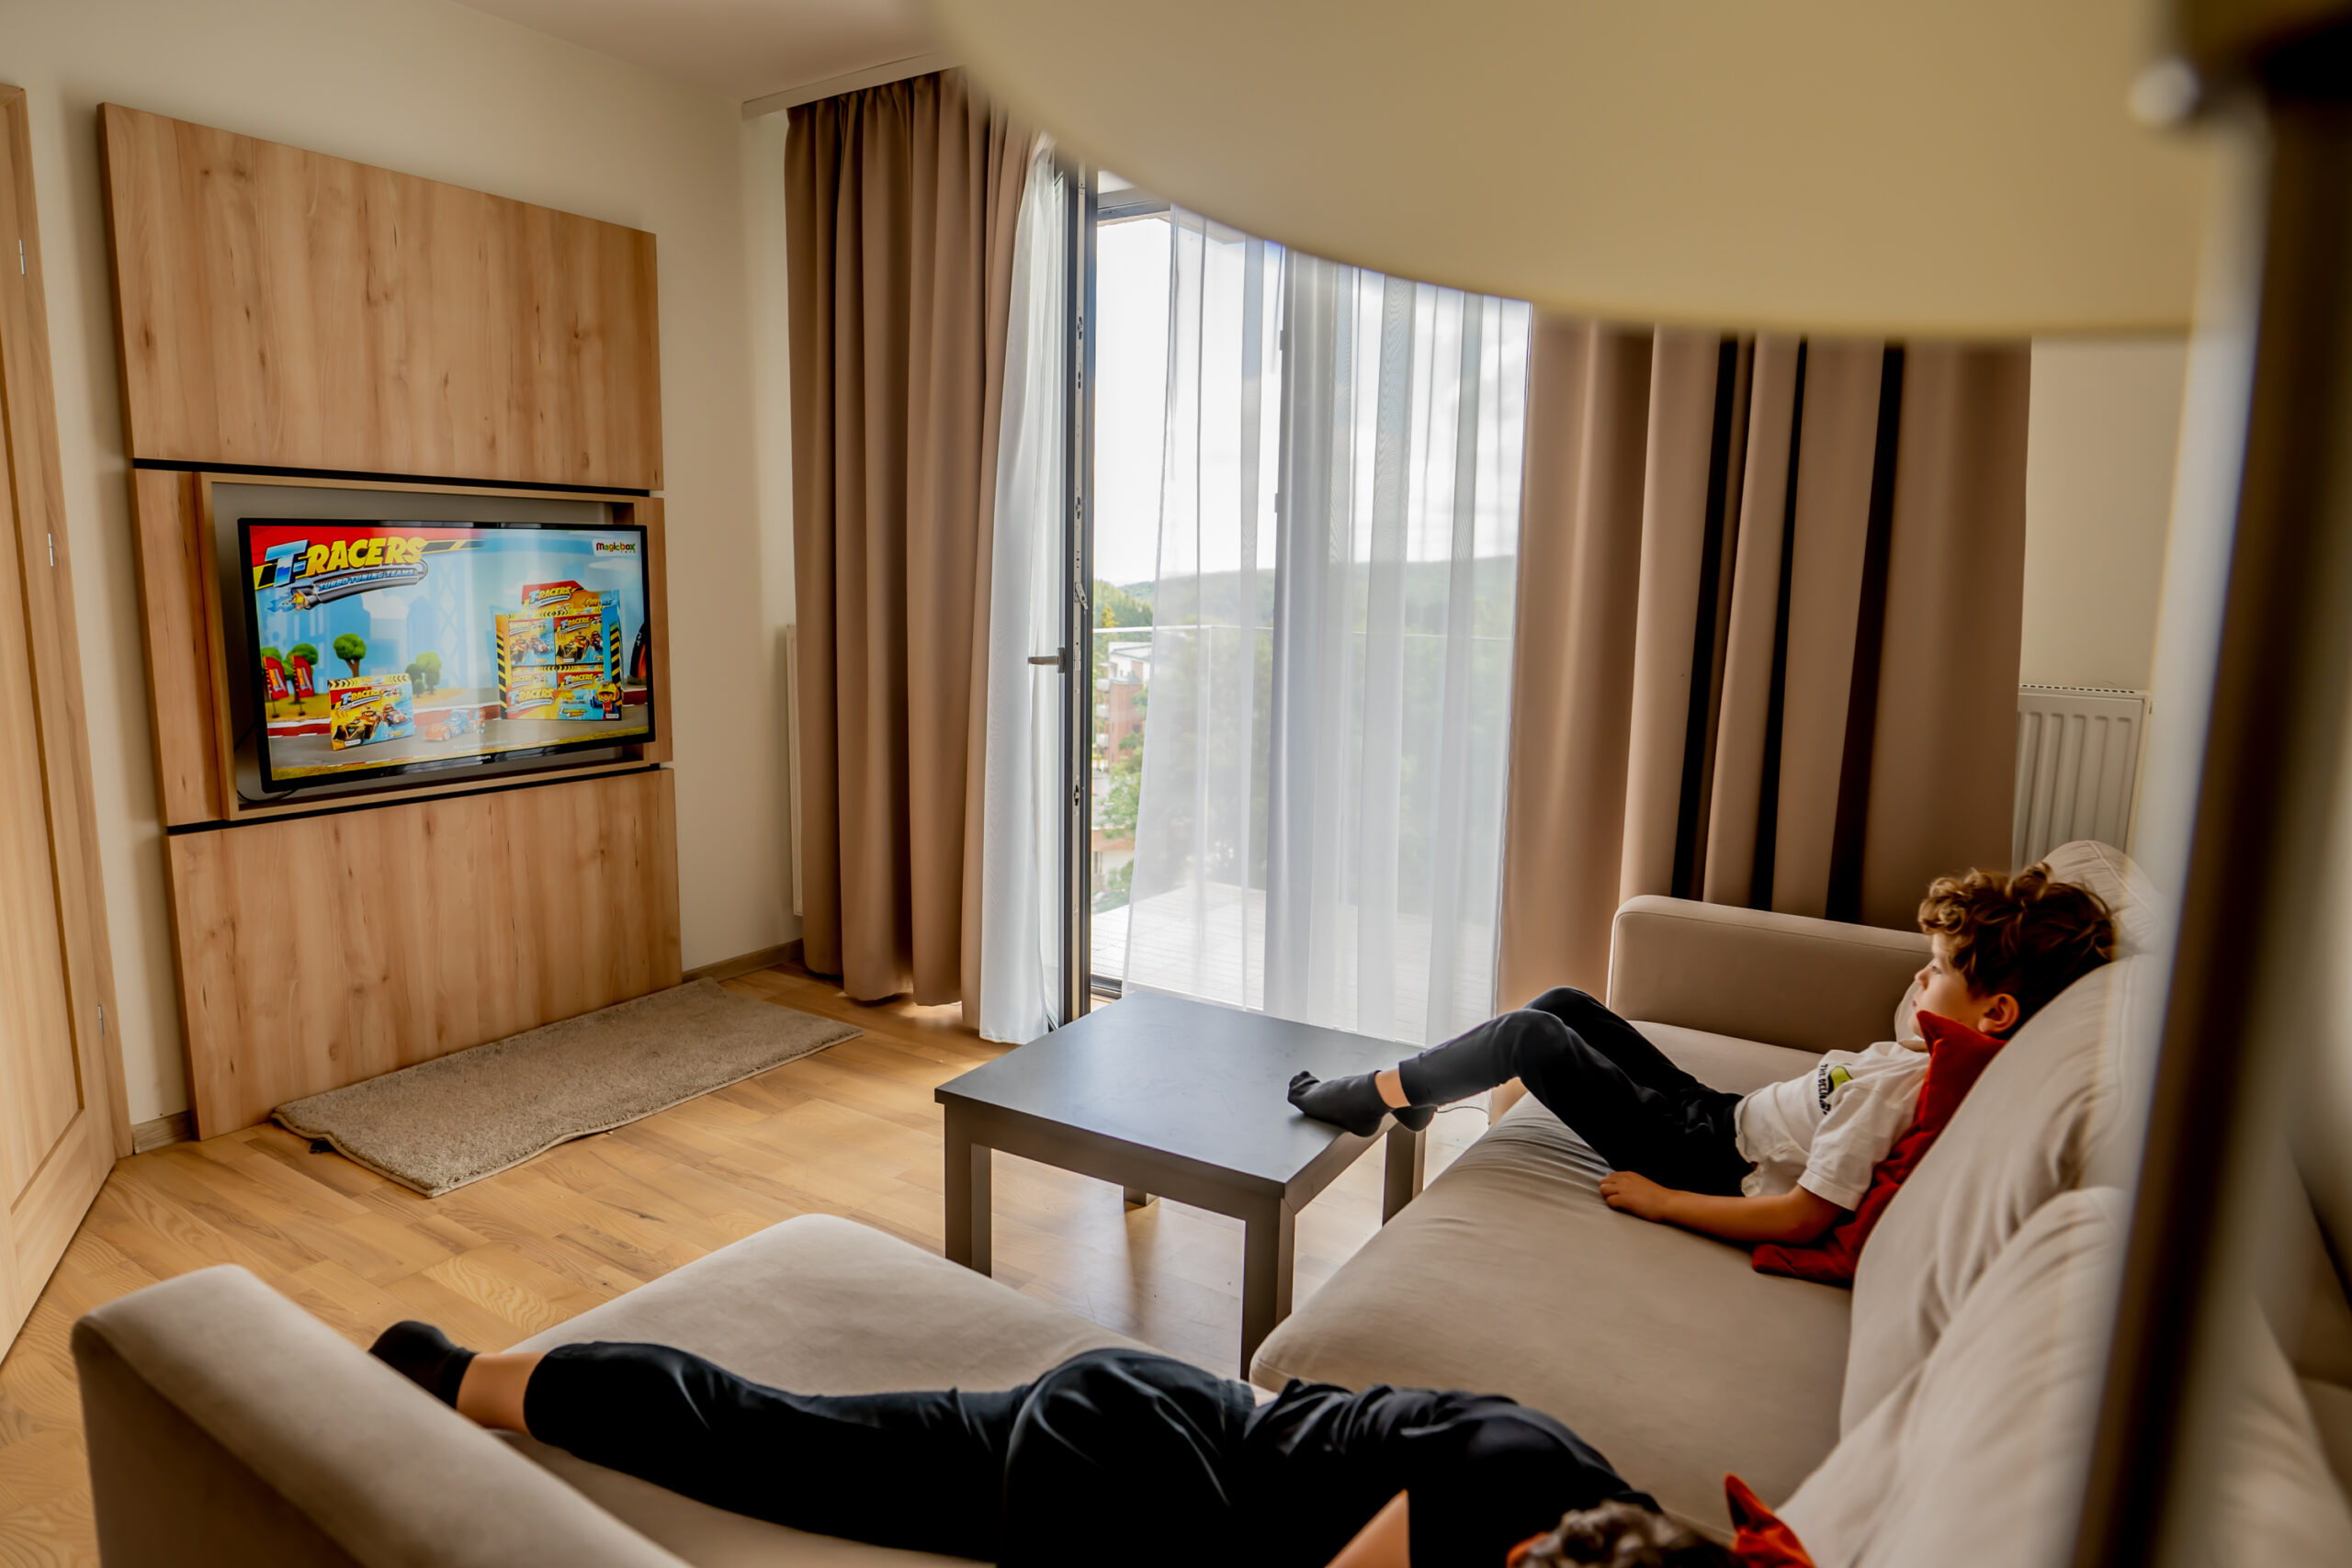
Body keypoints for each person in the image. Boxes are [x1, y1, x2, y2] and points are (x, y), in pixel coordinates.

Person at [369, 1325, 1739, 1568]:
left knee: (783, 1444)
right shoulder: (1497, 1478)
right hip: (1140, 1456)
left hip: (1140, 1435)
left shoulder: (1642, 1544)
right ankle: (456, 1380)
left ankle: (450, 1371)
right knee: (784, 1447)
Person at [1289, 864, 2115, 1247]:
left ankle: (1374, 1093)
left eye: (1936, 969)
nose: (1919, 976)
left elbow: (1804, 1217)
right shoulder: (1918, 1059)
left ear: (1996, 1011)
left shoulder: (1901, 1089)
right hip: (1719, 1116)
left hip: (1700, 1161)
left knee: (1527, 1037)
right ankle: (1417, 1094)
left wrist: (1663, 1201)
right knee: (1566, 1003)